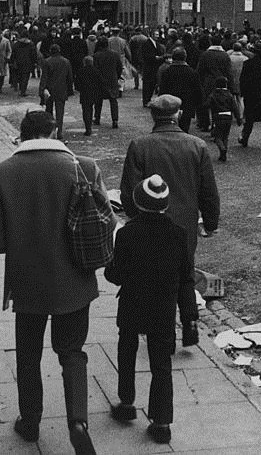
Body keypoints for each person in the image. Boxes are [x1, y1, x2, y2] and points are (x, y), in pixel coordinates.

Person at [0, 110, 105, 454]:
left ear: (23, 135)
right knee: (72, 352)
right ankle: (78, 421)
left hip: (27, 280)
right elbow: (102, 220)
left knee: (28, 354)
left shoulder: (1, 173)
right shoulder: (85, 166)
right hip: (75, 280)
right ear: (54, 132)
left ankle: (31, 422)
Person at [105, 174, 199, 446]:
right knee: (161, 365)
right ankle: (161, 422)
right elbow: (186, 280)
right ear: (166, 205)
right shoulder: (179, 235)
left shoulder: (126, 234)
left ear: (138, 202)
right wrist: (189, 315)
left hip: (133, 304)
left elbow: (116, 275)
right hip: (163, 308)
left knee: (127, 350)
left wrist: (110, 269)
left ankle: (126, 402)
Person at [120, 95, 220, 270]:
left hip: (148, 223)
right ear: (178, 114)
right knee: (184, 272)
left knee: (151, 272)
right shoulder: (197, 146)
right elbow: (208, 191)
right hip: (185, 222)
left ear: (153, 116)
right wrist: (210, 223)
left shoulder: (139, 146)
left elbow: (129, 190)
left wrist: (135, 219)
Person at [159, 48, 203, 133]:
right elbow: (197, 90)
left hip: (170, 105)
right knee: (184, 129)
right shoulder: (192, 72)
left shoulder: (167, 72)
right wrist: (198, 103)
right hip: (187, 106)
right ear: (185, 58)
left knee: (171, 130)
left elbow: (163, 89)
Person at [39, 44, 74, 140]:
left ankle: (50, 131)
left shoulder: (47, 62)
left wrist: (42, 91)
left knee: (49, 112)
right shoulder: (66, 61)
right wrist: (70, 90)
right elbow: (69, 77)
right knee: (60, 112)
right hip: (61, 89)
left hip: (50, 89)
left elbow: (44, 77)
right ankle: (59, 131)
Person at [92, 37, 122, 129]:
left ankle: (97, 118)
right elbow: (119, 67)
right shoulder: (115, 54)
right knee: (113, 101)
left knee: (98, 101)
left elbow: (95, 69)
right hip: (112, 80)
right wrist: (116, 76)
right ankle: (115, 120)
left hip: (100, 80)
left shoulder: (96, 55)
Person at [208, 76, 236, 162]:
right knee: (225, 136)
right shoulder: (229, 95)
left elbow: (207, 104)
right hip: (228, 116)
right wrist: (238, 118)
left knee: (217, 136)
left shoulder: (213, 94)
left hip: (218, 116)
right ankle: (224, 152)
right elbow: (234, 107)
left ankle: (222, 148)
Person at [75, 55, 103, 136]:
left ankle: (88, 127)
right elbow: (101, 81)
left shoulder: (81, 71)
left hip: (84, 92)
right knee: (93, 108)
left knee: (86, 110)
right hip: (94, 92)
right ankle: (93, 122)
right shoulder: (96, 71)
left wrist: (80, 89)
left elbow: (77, 83)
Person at [11, 30, 38, 97]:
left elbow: (13, 54)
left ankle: (21, 89)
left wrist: (12, 61)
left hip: (18, 62)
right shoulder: (31, 44)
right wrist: (35, 62)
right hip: (28, 63)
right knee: (25, 77)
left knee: (20, 76)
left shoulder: (16, 44)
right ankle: (23, 90)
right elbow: (33, 54)